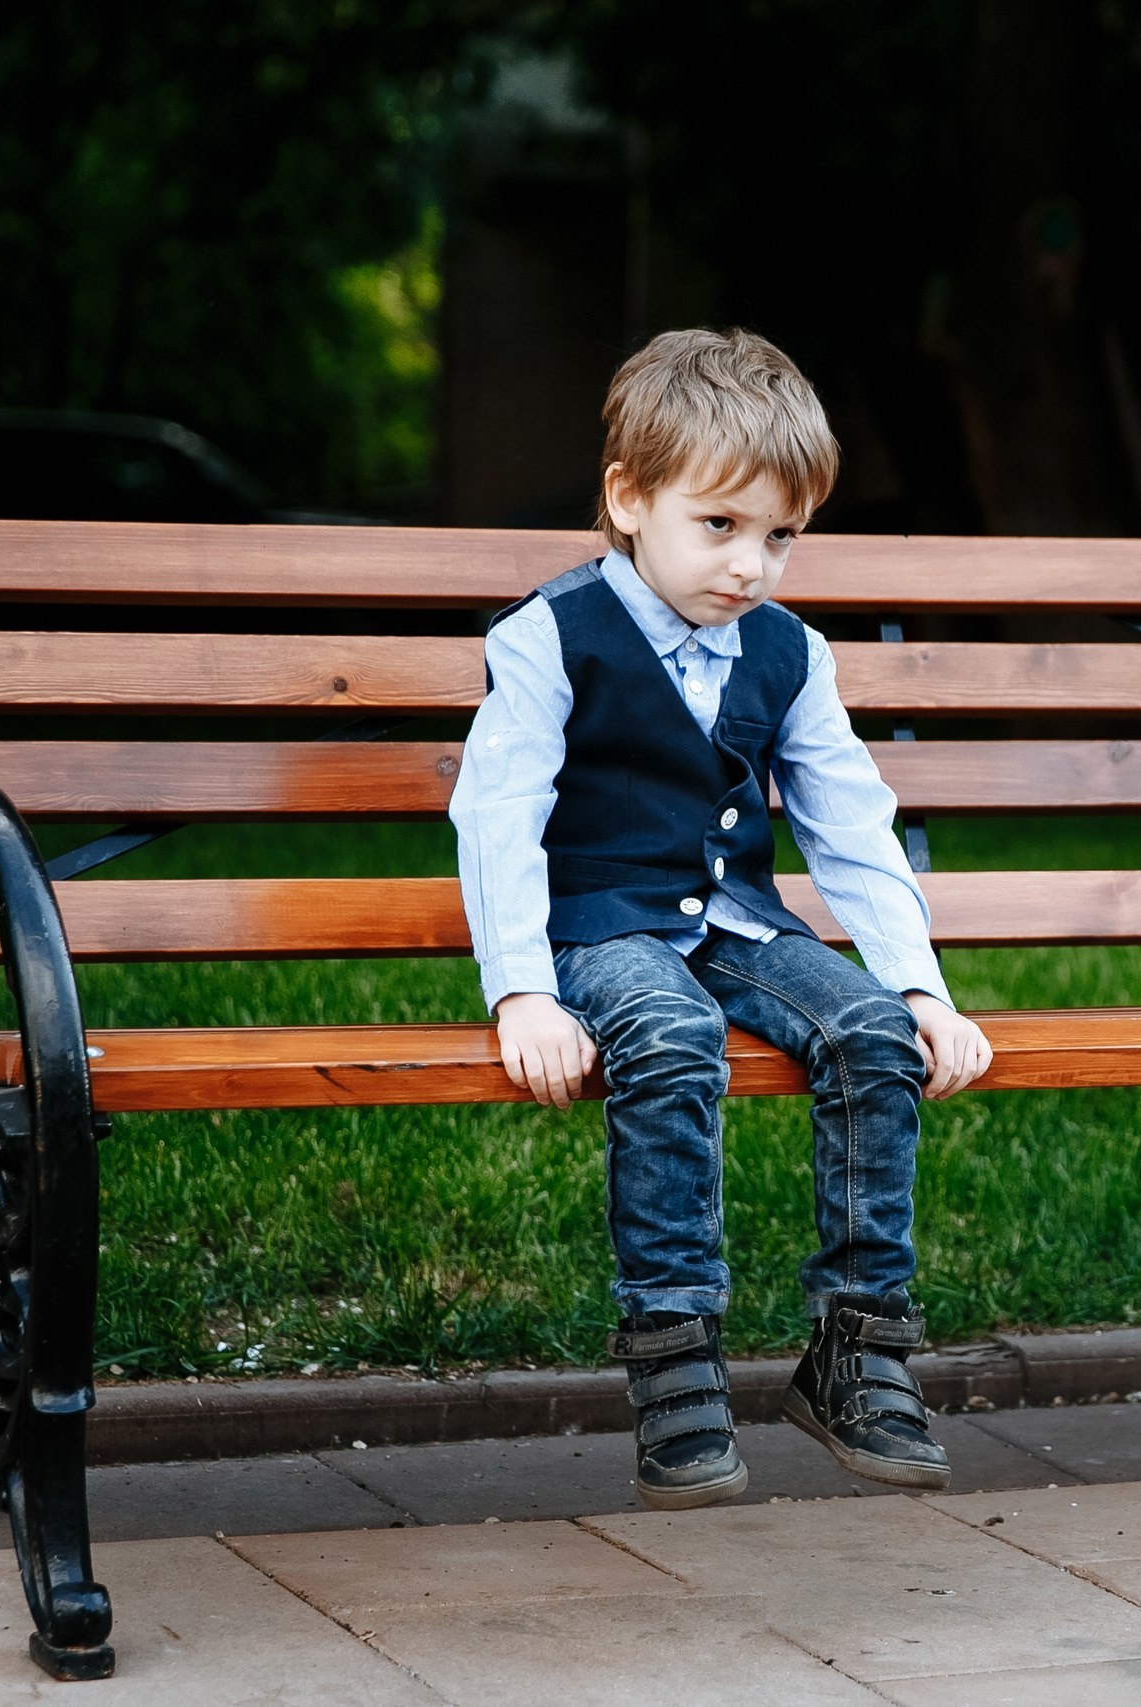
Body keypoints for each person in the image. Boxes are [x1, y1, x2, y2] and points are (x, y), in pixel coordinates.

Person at [449, 328, 993, 1510]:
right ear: (629, 498)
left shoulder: (787, 653)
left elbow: (851, 826)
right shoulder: (548, 637)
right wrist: (524, 989)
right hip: (597, 927)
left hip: (735, 921)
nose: (752, 565)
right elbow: (495, 818)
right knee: (670, 1035)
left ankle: (858, 1347)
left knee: (868, 1037)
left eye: (780, 535)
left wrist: (920, 989)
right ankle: (674, 1362)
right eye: (721, 525)